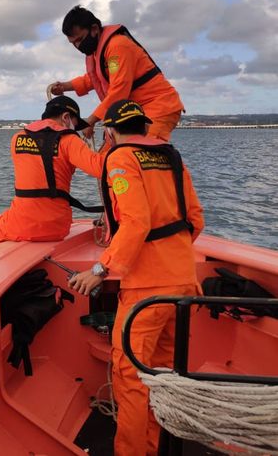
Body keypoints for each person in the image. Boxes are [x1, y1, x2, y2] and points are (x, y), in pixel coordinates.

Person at [69, 99, 204, 456]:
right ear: (145, 126)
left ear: (110, 132)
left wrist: (101, 270)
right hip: (184, 284)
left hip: (147, 292)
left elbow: (136, 221)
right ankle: (156, 445)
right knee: (165, 376)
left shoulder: (120, 158)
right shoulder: (172, 156)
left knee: (131, 377)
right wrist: (171, 259)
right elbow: (196, 219)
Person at [0, 96, 106, 253]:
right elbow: (101, 169)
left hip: (21, 223)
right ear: (65, 117)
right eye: (74, 125)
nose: (73, 129)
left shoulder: (17, 138)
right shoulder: (69, 140)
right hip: (57, 226)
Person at [50, 6, 183, 141]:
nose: (78, 46)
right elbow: (95, 78)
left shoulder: (117, 46)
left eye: (79, 40)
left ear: (94, 29)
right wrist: (65, 86)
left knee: (143, 150)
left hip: (158, 106)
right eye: (73, 43)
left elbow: (119, 91)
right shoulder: (96, 51)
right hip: (132, 112)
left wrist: (90, 121)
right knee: (110, 153)